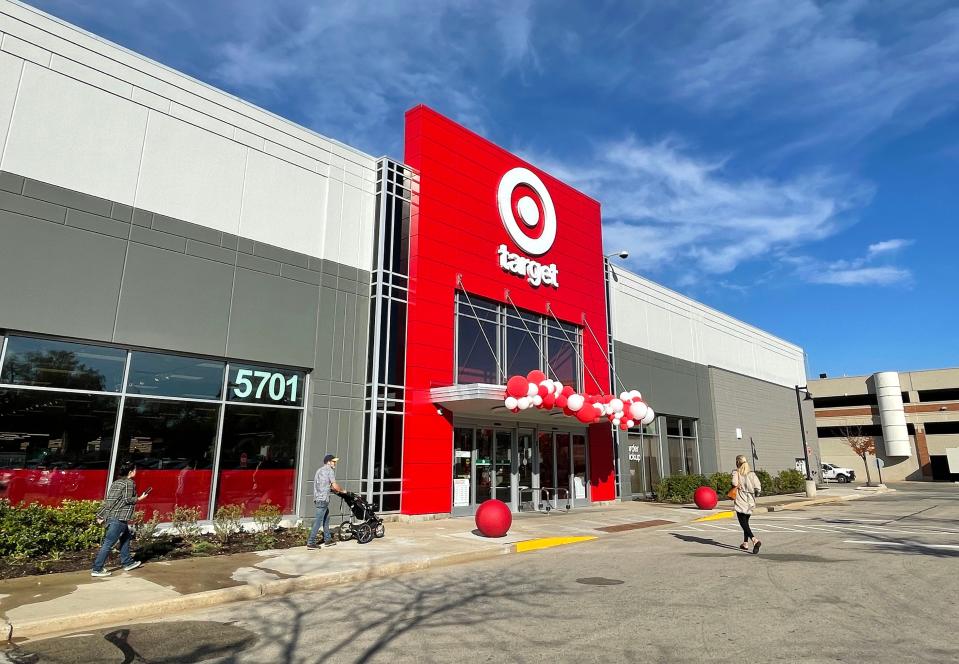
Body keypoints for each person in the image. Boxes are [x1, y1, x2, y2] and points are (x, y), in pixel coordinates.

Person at [91, 462, 150, 577]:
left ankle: (127, 562)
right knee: (108, 543)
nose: (135, 472)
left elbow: (110, 501)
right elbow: (128, 499)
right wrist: (140, 498)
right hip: (120, 517)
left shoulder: (116, 483)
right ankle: (97, 569)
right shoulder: (129, 483)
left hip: (112, 516)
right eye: (135, 470)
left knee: (126, 537)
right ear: (130, 472)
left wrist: (101, 515)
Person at [307, 454, 345, 549]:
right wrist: (343, 491)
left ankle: (327, 539)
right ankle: (311, 542)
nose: (335, 463)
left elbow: (321, 485)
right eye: (333, 461)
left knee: (326, 518)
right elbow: (334, 485)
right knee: (318, 521)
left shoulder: (318, 471)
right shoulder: (329, 470)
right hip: (323, 499)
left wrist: (329, 489)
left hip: (317, 498)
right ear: (328, 462)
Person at [732, 454, 762, 554]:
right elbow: (758, 487)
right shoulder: (752, 474)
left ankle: (754, 540)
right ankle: (745, 543)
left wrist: (738, 484)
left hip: (741, 499)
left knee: (743, 523)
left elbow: (734, 483)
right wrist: (756, 492)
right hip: (750, 500)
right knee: (746, 523)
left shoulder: (736, 472)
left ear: (737, 462)